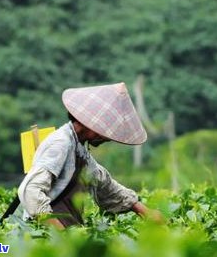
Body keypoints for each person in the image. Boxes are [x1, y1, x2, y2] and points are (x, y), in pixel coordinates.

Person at [17, 82, 163, 229]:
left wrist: (143, 210)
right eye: (105, 131)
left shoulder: (78, 147)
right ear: (89, 123)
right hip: (45, 235)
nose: (107, 138)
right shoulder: (60, 143)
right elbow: (31, 192)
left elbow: (104, 184)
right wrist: (60, 234)